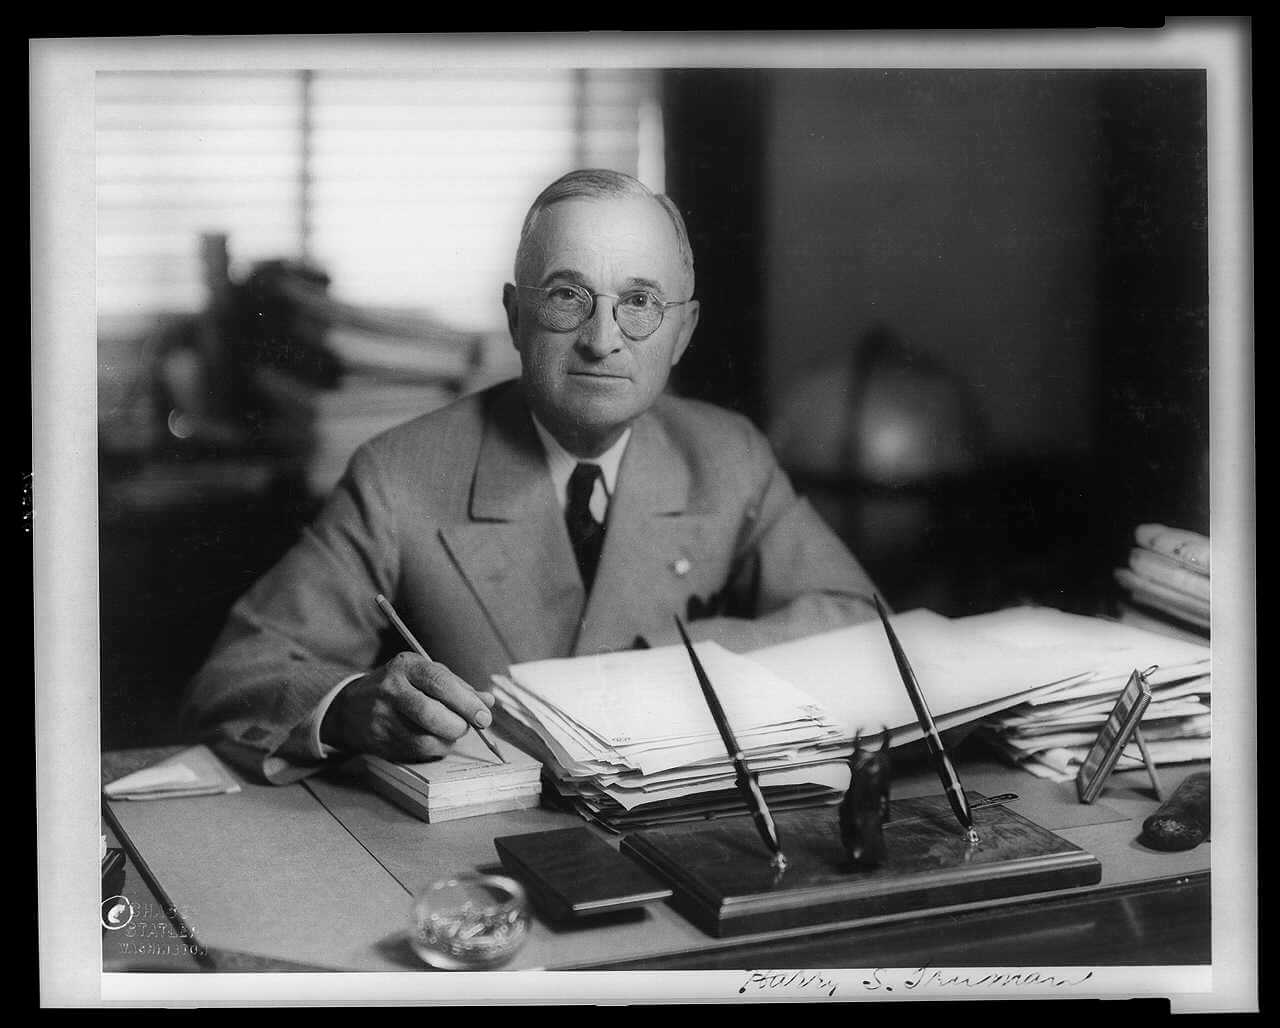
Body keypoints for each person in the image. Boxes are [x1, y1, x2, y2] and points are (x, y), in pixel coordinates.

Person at [181, 169, 880, 784]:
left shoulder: (729, 455)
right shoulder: (399, 476)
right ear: (515, 318)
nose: (602, 340)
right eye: (568, 297)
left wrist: (675, 667)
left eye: (639, 303)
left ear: (684, 331)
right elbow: (240, 674)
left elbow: (858, 622)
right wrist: (349, 707)